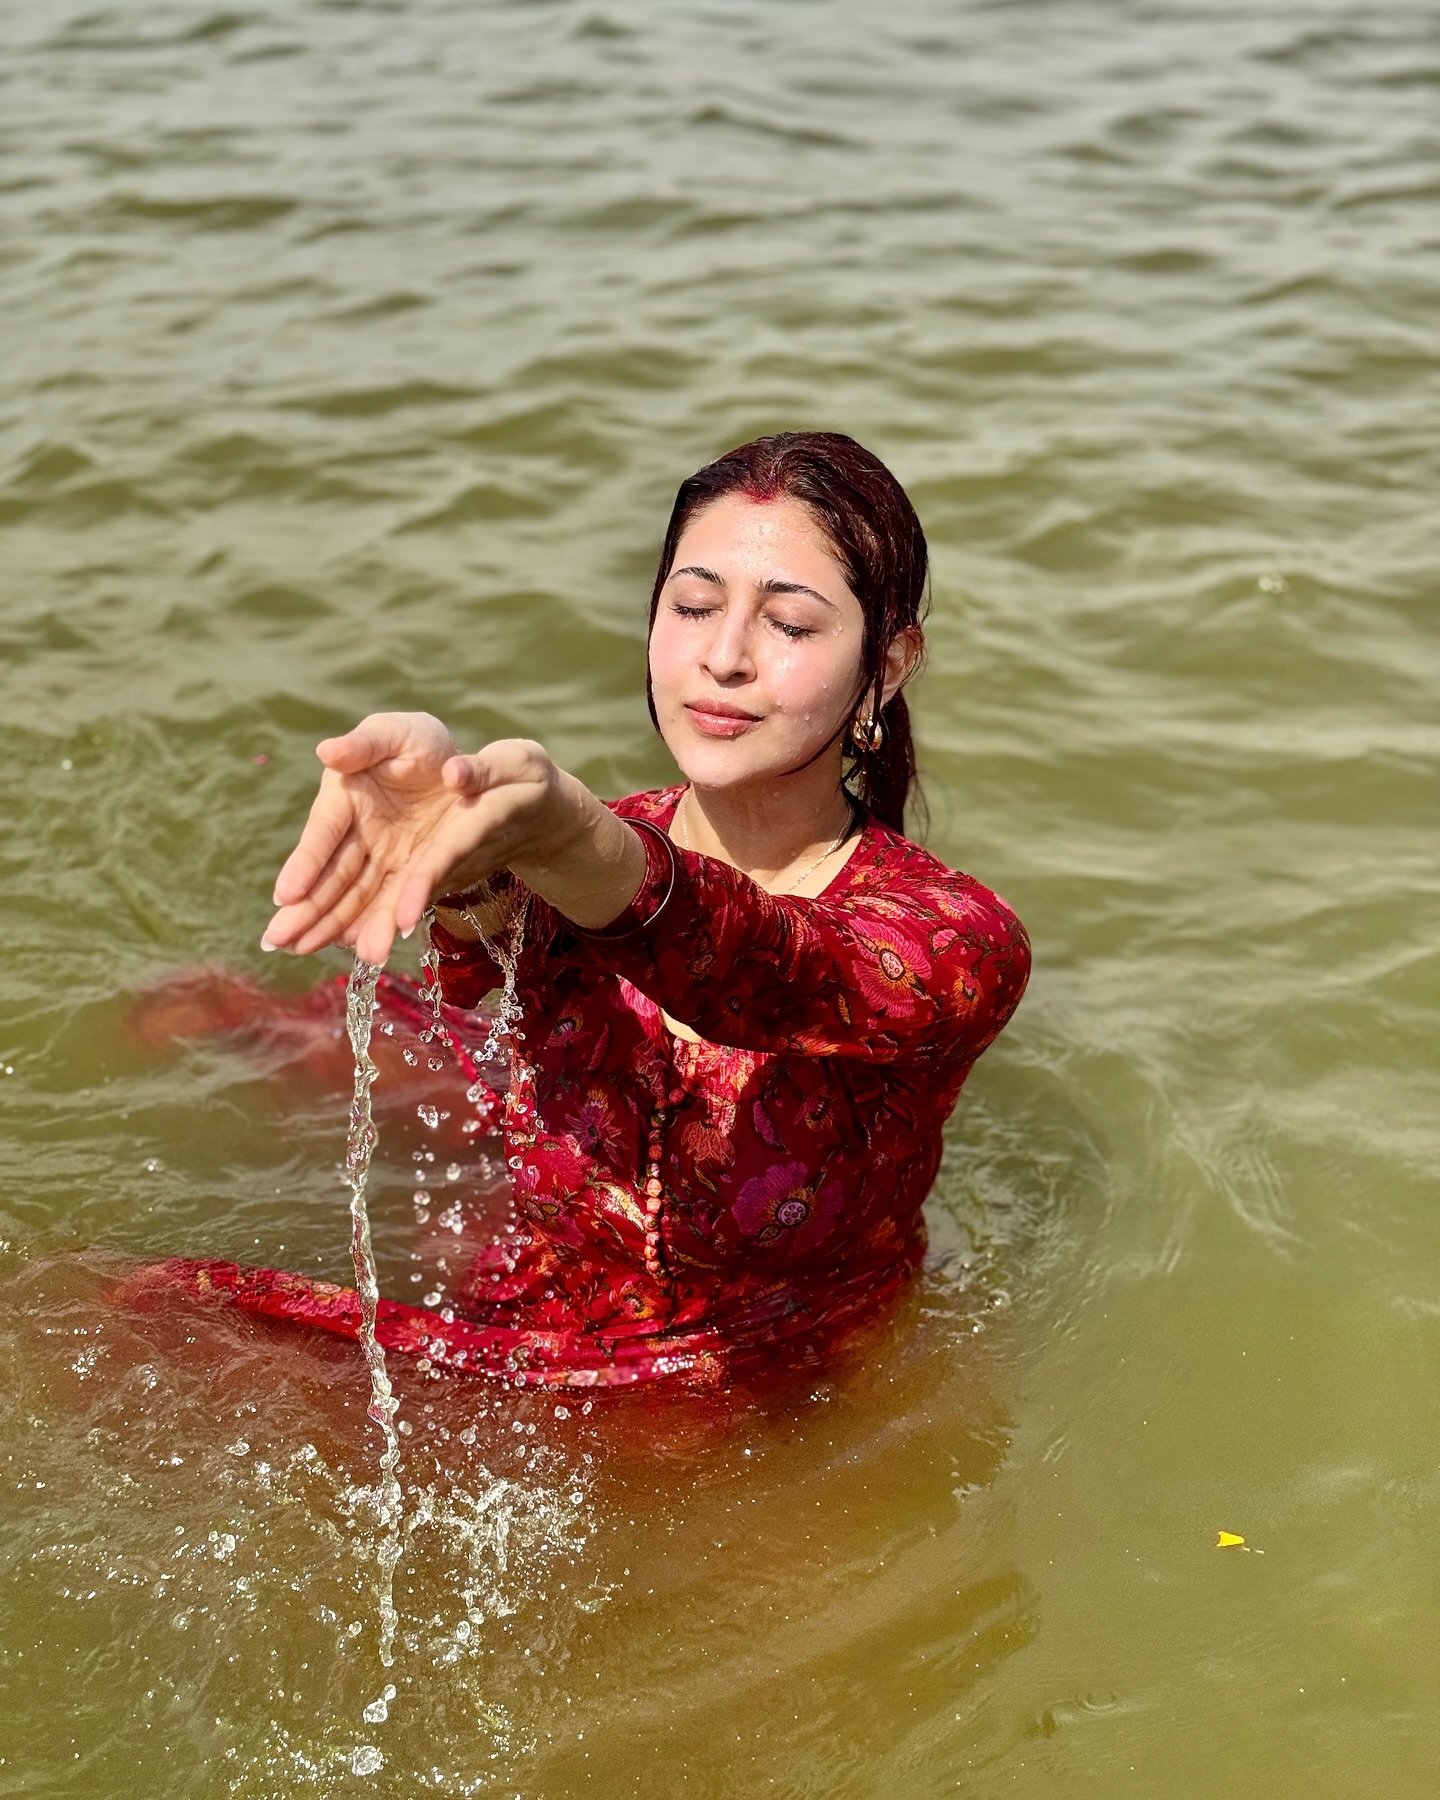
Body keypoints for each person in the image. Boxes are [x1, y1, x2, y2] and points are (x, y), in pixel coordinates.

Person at [123, 432, 1030, 1390]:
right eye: (693, 606)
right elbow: (479, 969)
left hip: (776, 1380)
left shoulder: (950, 935)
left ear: (887, 665)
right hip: (531, 1323)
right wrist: (461, 839)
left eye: (790, 625)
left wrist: (566, 839)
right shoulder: (587, 843)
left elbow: (765, 967)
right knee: (149, 1288)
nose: (723, 658)